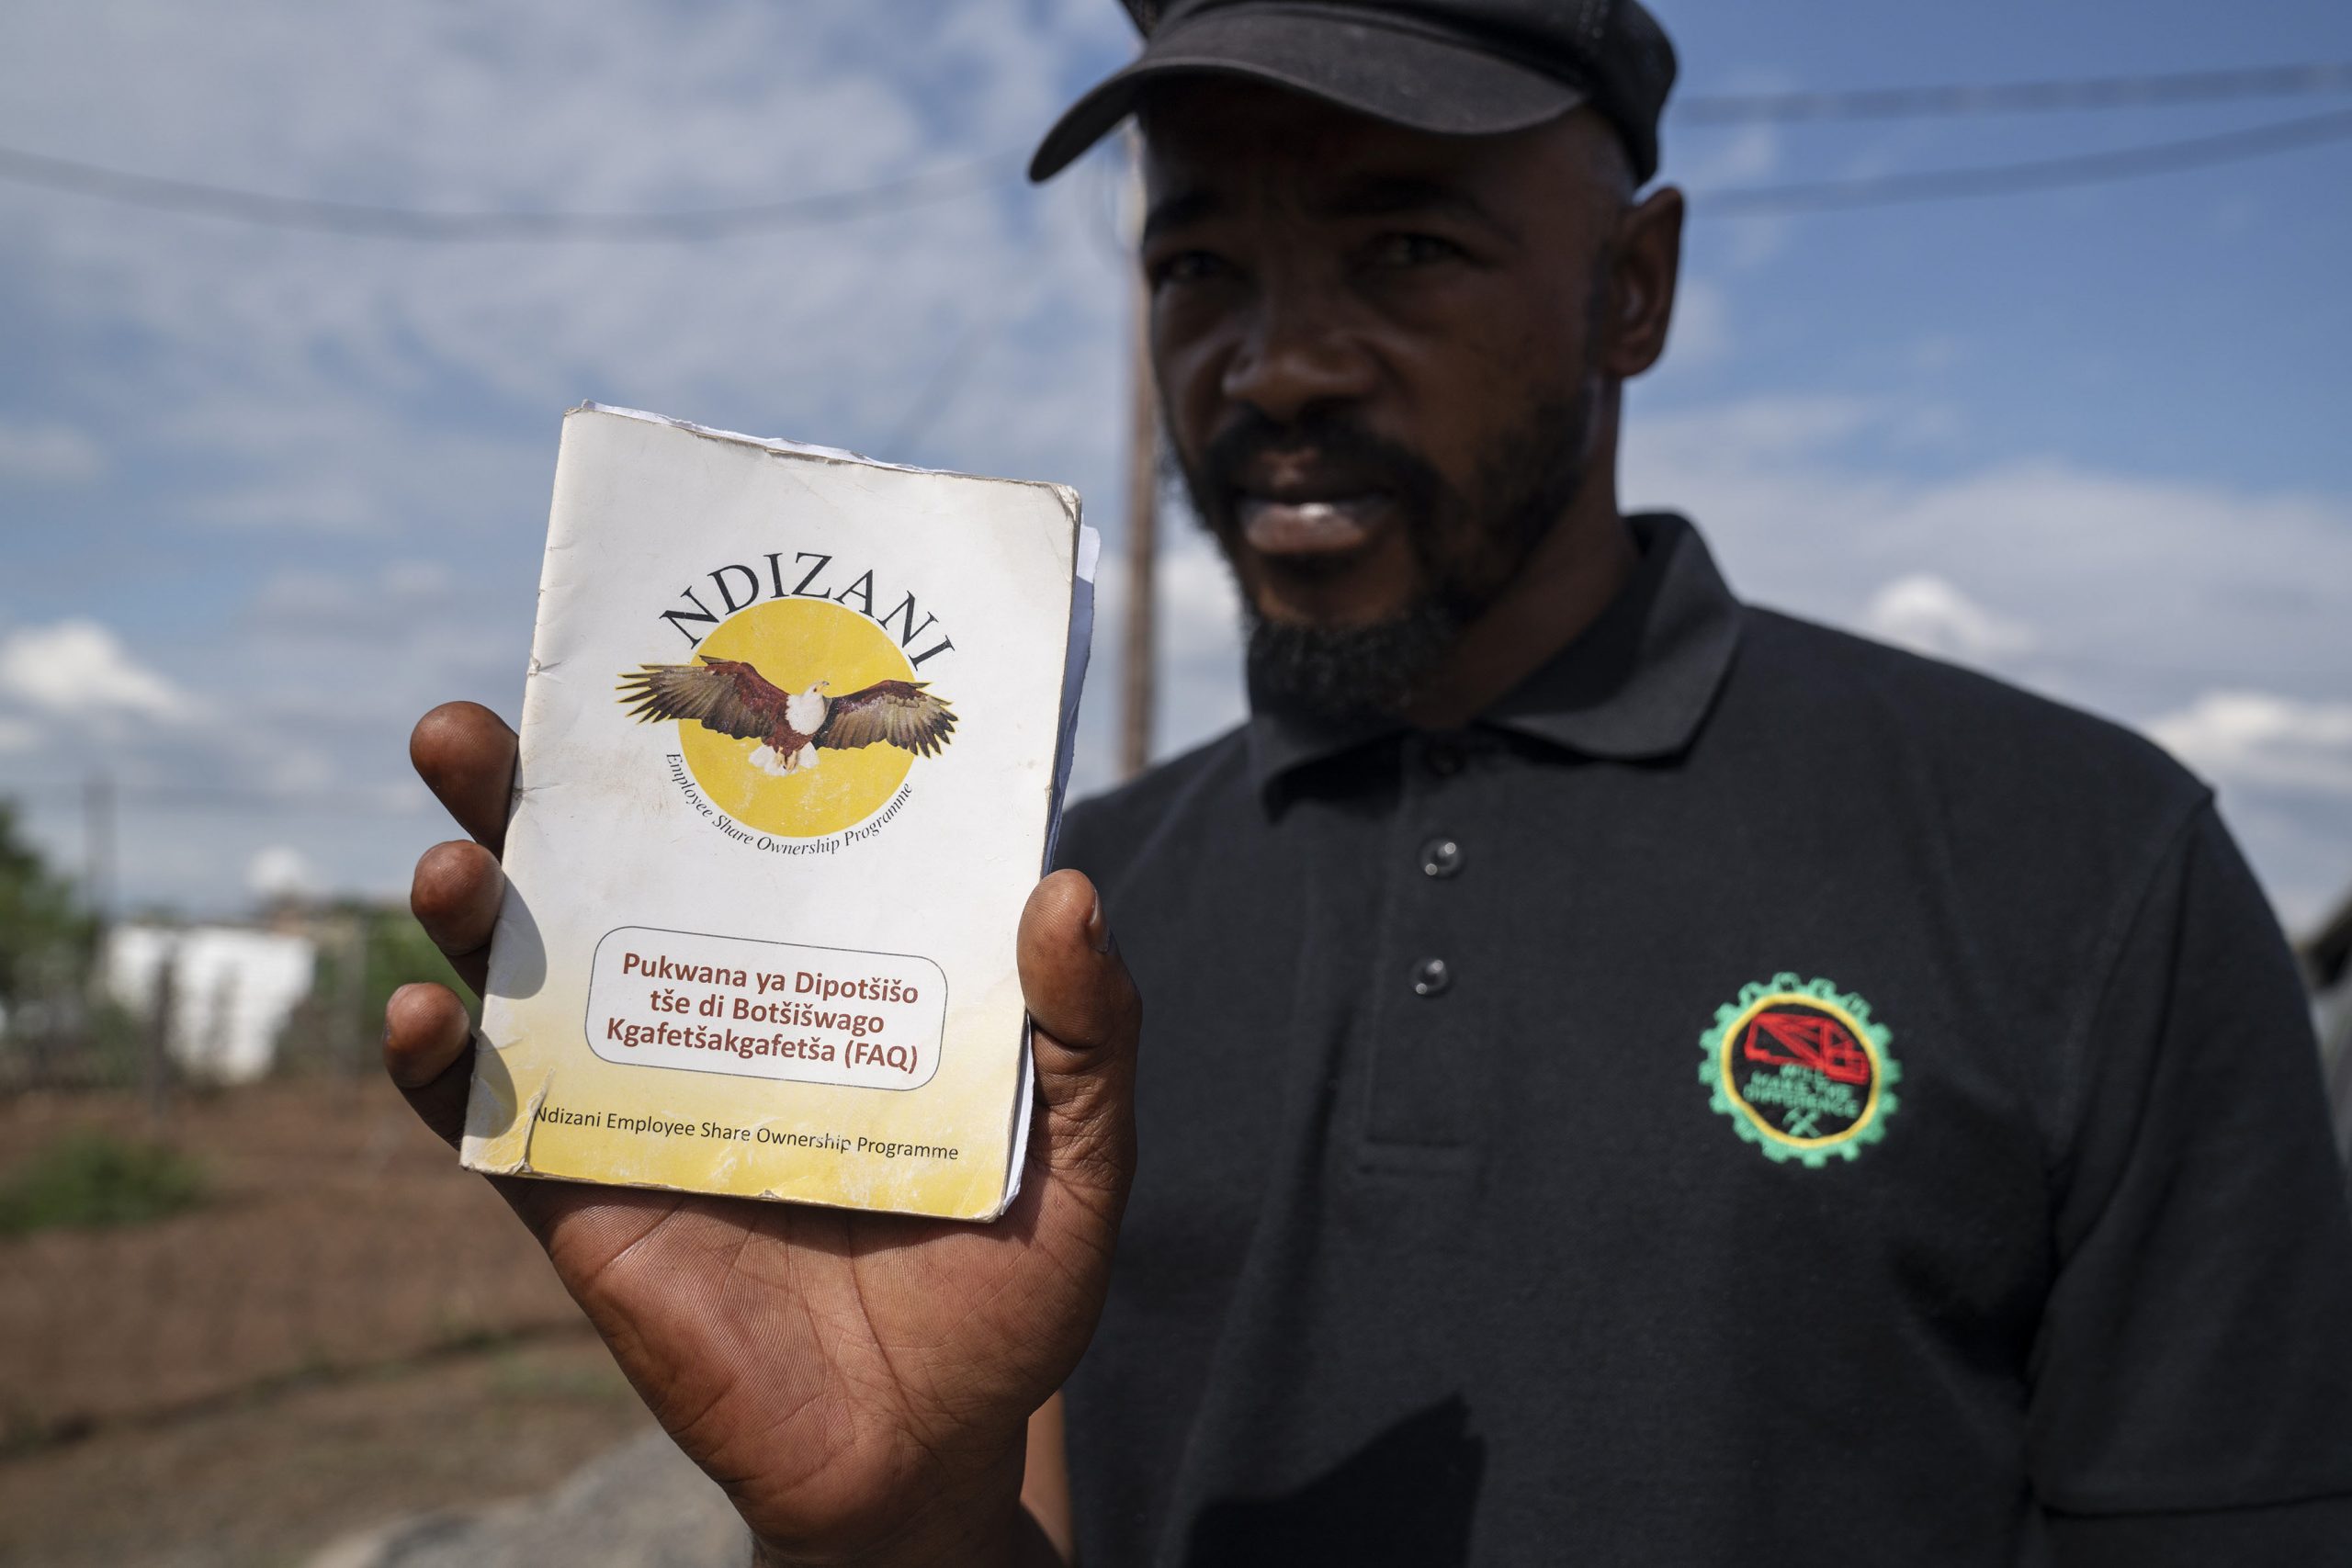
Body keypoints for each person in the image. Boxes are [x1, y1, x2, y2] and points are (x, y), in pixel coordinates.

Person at [384, 2, 2352, 1562]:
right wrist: (891, 1529)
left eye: (1402, 243)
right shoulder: (1042, 924)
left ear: (1632, 292)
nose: (1276, 363)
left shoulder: (2078, 865)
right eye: (1198, 264)